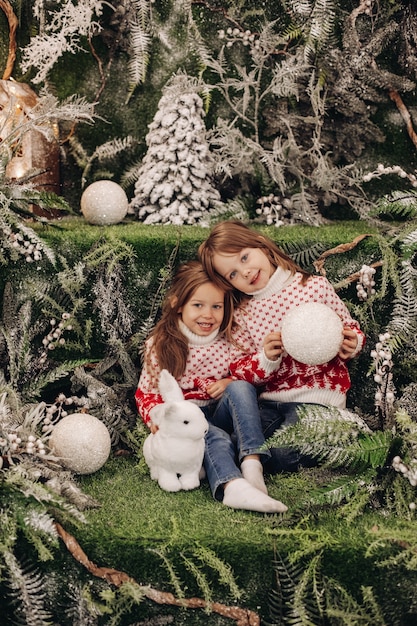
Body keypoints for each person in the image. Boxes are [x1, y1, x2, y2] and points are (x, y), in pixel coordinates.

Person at [198, 220, 366, 473]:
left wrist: (353, 343)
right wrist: (266, 358)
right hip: (269, 404)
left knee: (284, 453)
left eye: (244, 258)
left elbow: (348, 326)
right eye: (232, 274)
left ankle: (343, 428)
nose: (244, 272)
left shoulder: (313, 287)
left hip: (317, 400)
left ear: (262, 246)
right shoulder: (244, 313)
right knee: (241, 442)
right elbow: (239, 369)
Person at [135, 260, 287, 513]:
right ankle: (233, 487)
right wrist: (159, 419)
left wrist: (229, 381)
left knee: (240, 387)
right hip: (189, 422)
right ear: (178, 304)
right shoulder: (161, 344)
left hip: (222, 411)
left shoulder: (231, 338)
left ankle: (252, 461)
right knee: (214, 438)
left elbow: (251, 373)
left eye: (216, 306)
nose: (208, 315)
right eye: (198, 305)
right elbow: (147, 393)